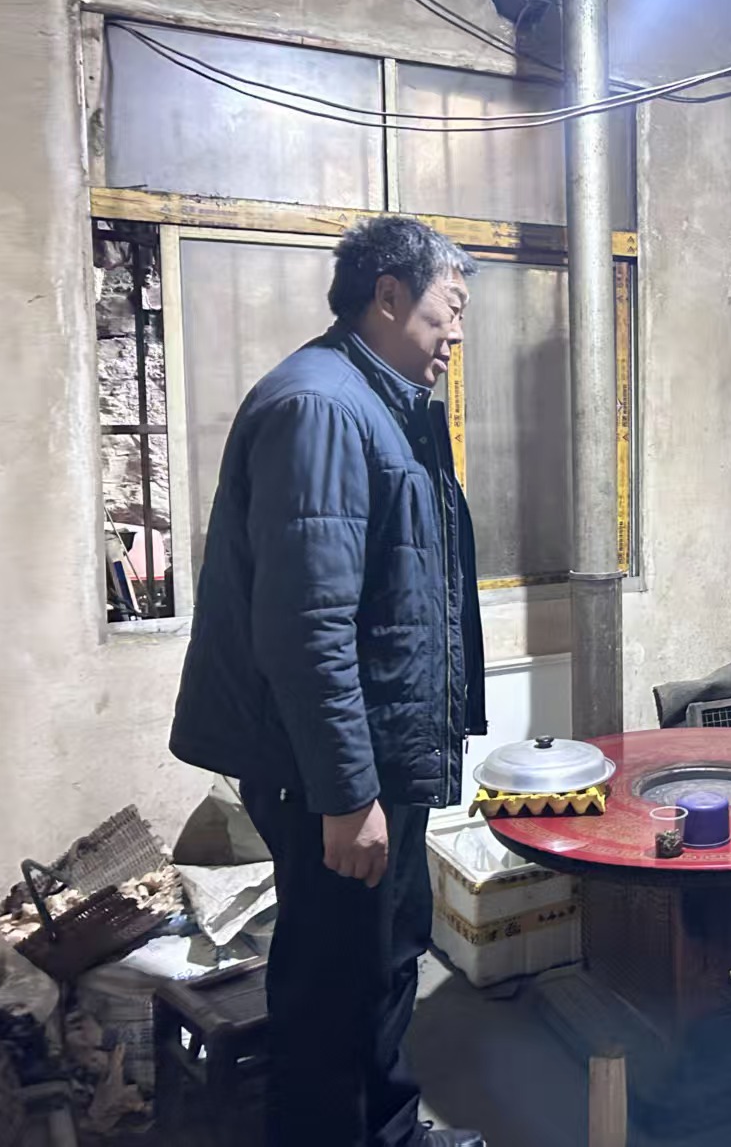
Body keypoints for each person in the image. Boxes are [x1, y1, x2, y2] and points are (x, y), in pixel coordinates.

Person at [171, 217, 486, 1147]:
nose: (457, 333)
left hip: (377, 755)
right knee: (331, 986)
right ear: (388, 296)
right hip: (333, 773)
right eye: (448, 308)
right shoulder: (323, 408)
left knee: (385, 958)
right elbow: (307, 627)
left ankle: (389, 1132)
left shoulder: (383, 403)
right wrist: (347, 796)